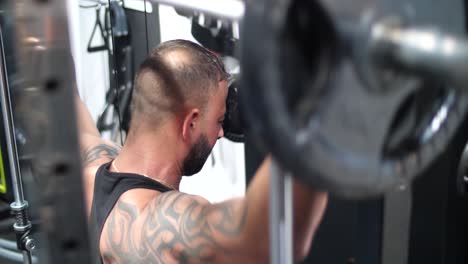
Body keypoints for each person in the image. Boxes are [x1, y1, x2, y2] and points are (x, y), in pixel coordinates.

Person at [76, 39, 328, 263]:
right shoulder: (151, 222)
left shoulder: (93, 162)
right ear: (191, 123)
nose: (221, 133)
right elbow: (266, 242)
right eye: (219, 121)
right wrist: (312, 109)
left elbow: (71, 108)